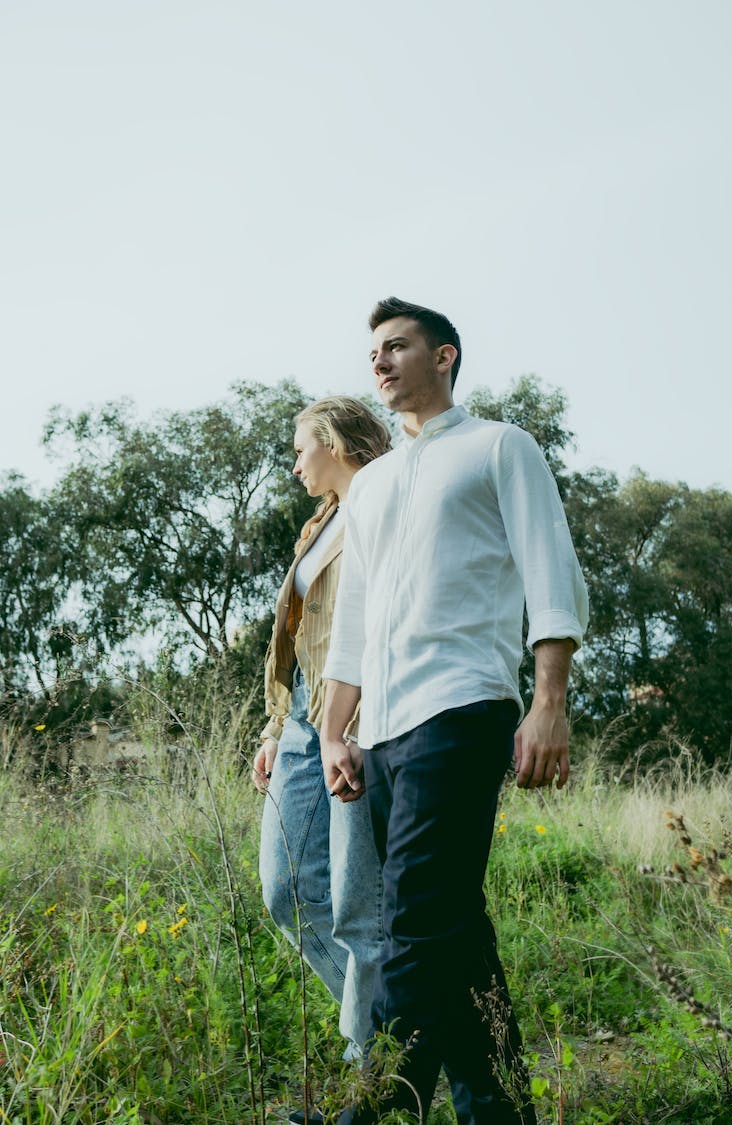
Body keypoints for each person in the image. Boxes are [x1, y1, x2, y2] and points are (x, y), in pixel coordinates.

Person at [320, 298, 589, 1125]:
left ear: (445, 356)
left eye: (397, 346)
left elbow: (553, 575)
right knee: (454, 929)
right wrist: (336, 729)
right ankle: (495, 1109)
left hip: (464, 707)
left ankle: (372, 1102)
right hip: (386, 730)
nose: (381, 362)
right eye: (373, 351)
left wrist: (549, 702)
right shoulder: (372, 488)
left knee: (413, 914)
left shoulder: (499, 448)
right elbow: (354, 621)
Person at [253, 396, 391, 1088]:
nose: (295, 460)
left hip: (358, 721)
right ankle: (390, 1032)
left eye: (302, 446)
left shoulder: (382, 500)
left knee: (354, 903)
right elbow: (296, 632)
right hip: (307, 722)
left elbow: (379, 622)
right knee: (283, 890)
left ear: (336, 442)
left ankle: (372, 1064)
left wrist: (356, 727)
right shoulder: (322, 521)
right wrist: (278, 725)